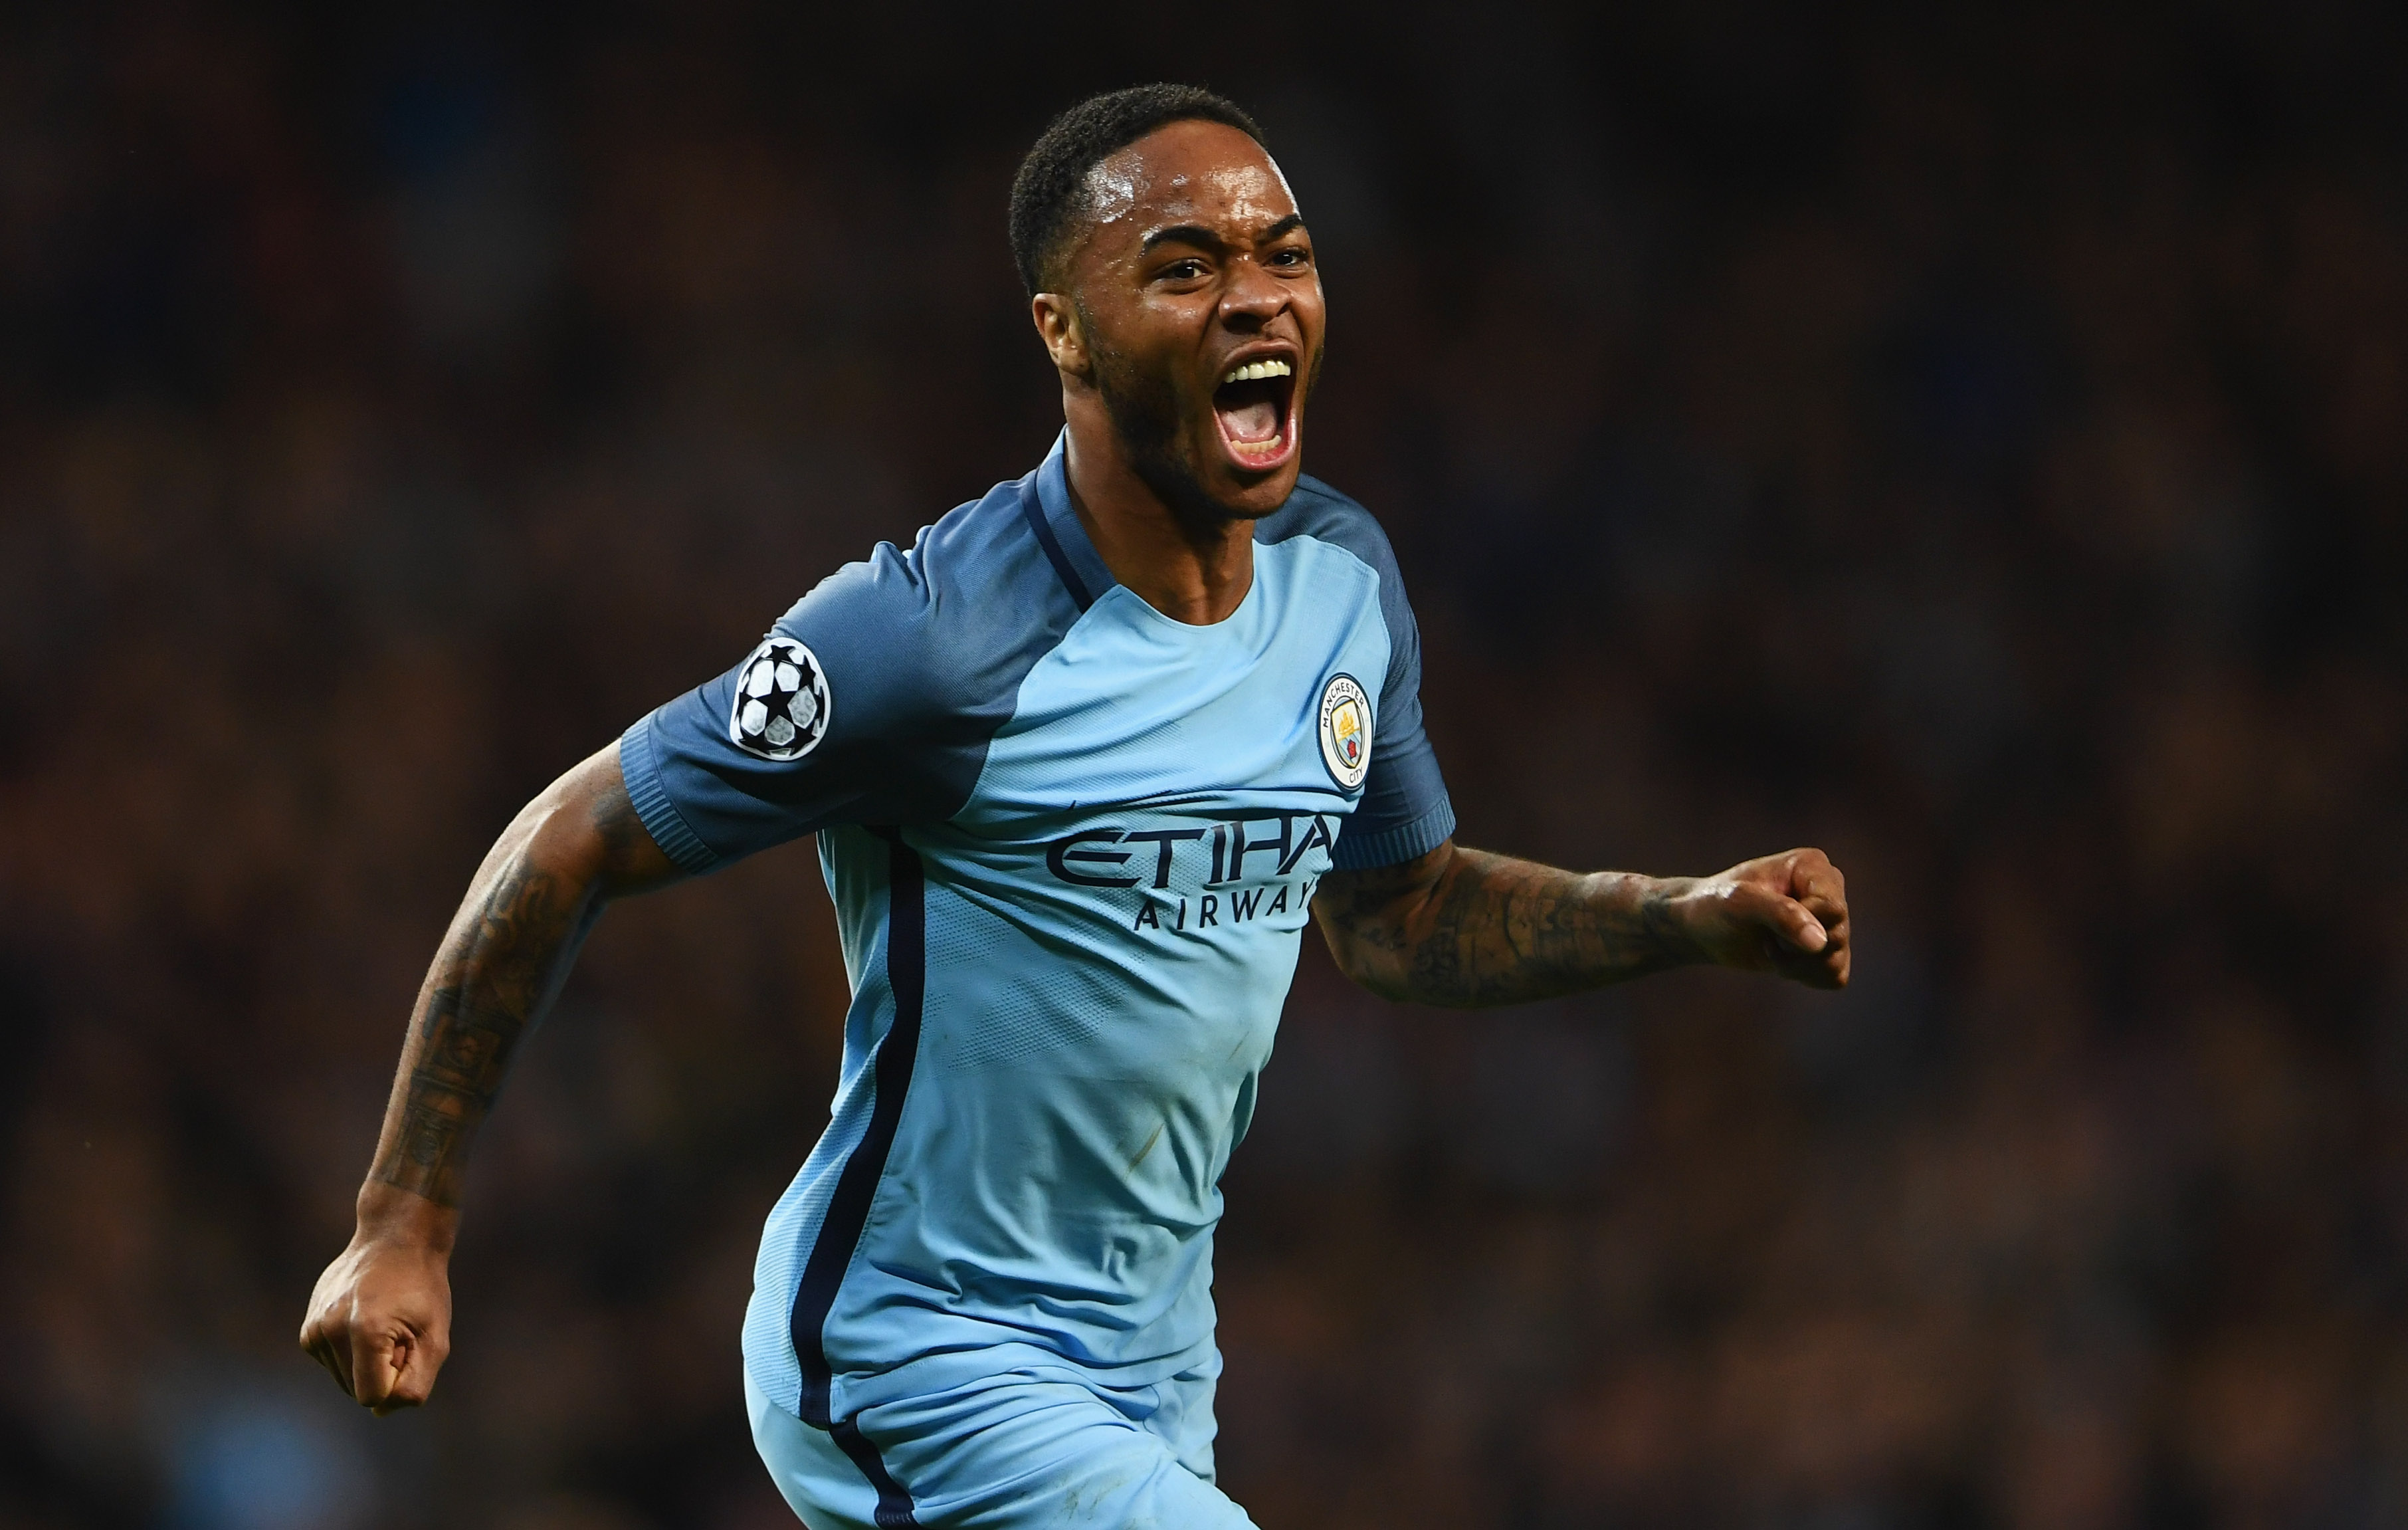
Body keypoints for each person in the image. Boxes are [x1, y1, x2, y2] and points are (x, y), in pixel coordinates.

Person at [301, 83, 1851, 1530]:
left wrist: (1684, 914)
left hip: (1158, 1359)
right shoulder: (927, 642)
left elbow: (1398, 912)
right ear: (1065, 330)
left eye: (1284, 252)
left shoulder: (1343, 586)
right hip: (913, 1347)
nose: (1254, 292)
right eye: (1182, 266)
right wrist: (404, 1217)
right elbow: (570, 835)